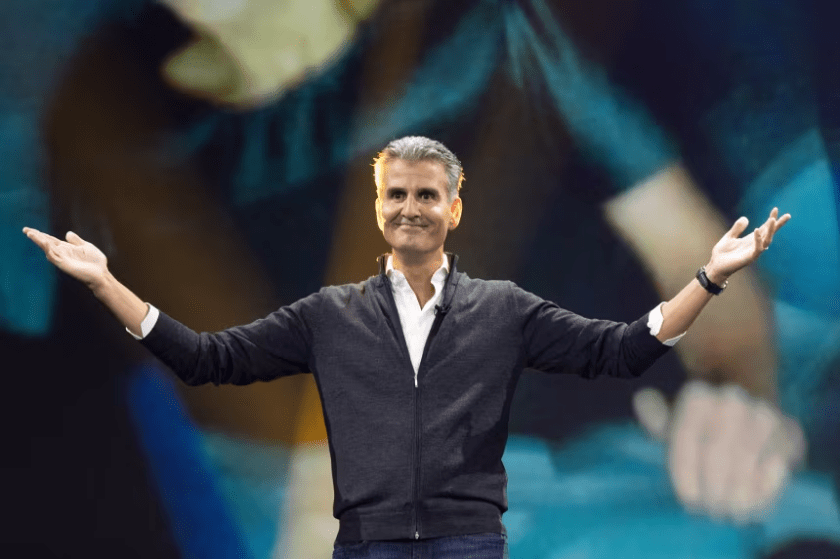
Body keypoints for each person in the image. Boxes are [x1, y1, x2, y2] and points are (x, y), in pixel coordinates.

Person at [23, 135, 790, 559]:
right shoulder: (111, 96)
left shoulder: (502, 42)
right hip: (276, 485)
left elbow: (667, 302)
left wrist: (732, 393)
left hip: (550, 478)